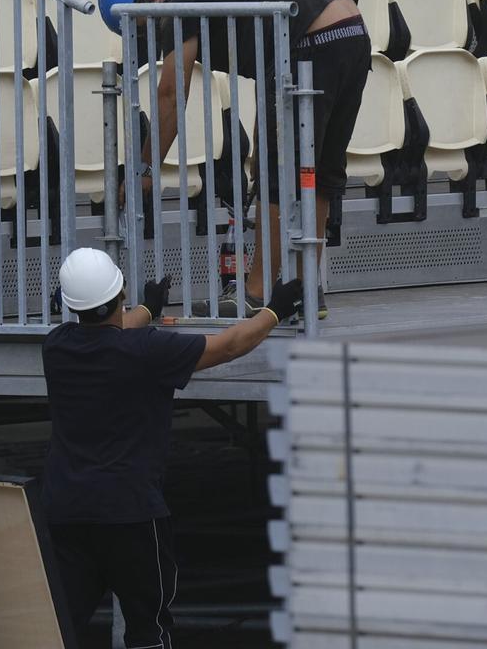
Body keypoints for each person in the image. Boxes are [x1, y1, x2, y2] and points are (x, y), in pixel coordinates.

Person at [43, 247, 303, 649]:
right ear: (120, 294)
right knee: (148, 630)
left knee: (59, 627)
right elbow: (229, 346)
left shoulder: (56, 348)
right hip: (132, 517)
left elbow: (105, 333)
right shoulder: (148, 352)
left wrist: (147, 309)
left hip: (68, 512)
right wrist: (275, 310)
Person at [98, 0, 372, 319]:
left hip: (306, 39)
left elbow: (170, 94)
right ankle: (307, 289)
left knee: (278, 173)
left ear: (149, 1)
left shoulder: (177, 1)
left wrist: (144, 171)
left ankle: (255, 294)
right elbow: (268, 65)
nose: (154, 40)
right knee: (316, 171)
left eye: (142, 28)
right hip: (351, 32)